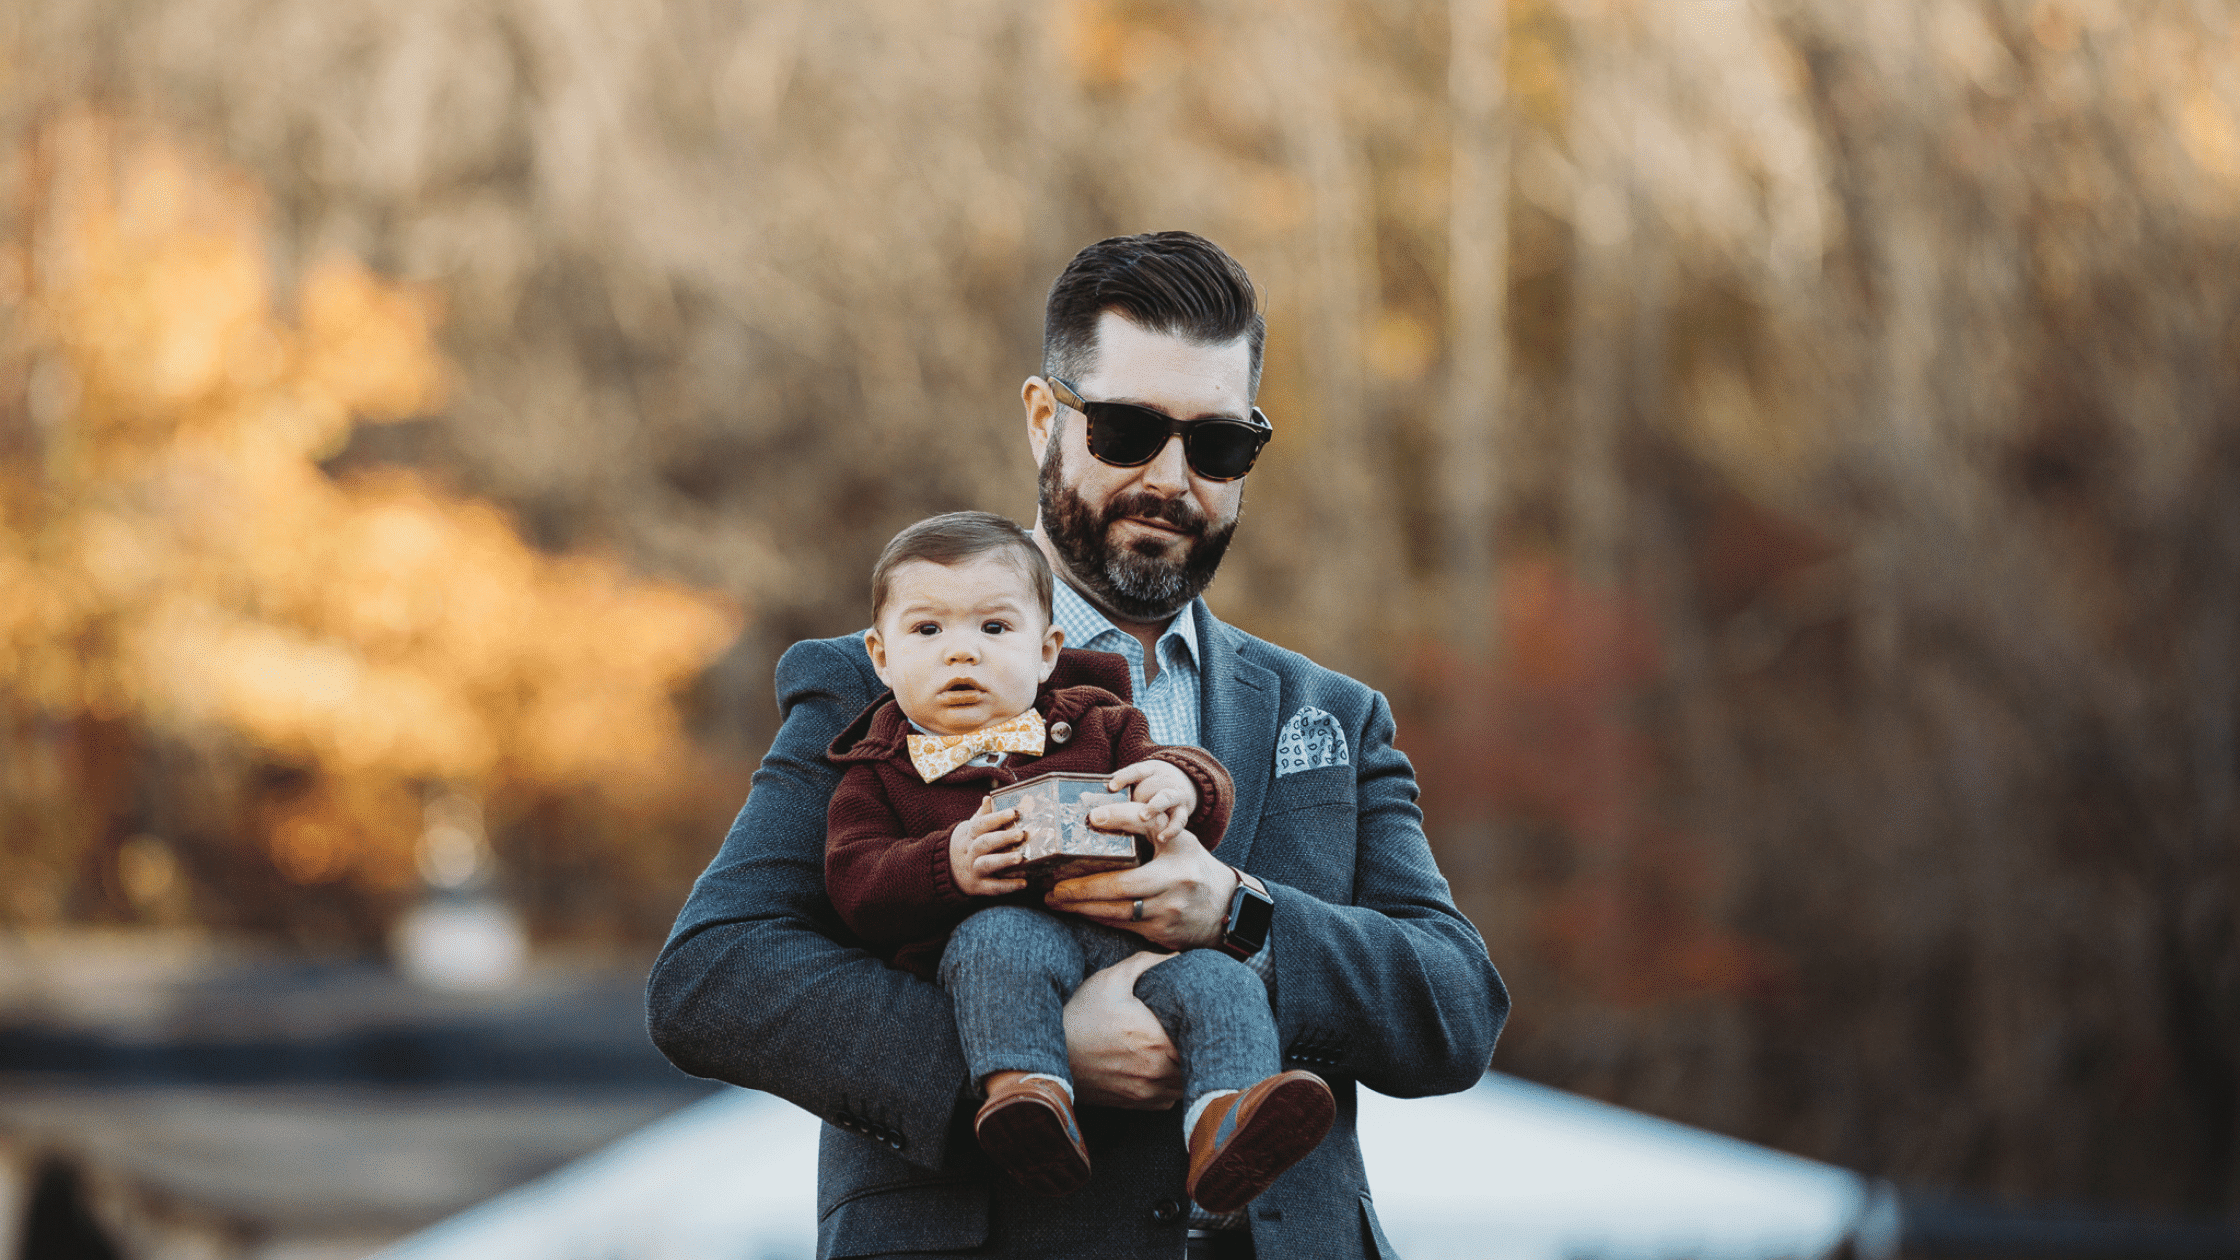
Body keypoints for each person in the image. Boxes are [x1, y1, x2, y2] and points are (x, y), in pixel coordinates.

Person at [649, 231, 1508, 1260]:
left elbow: (1456, 1006)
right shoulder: (869, 681)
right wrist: (1018, 1053)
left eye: (1217, 445)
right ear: (1042, 419)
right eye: (1127, 430)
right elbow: (713, 978)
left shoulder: (1326, 713)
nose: (1170, 477)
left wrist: (1241, 916)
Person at [824, 510, 1335, 1212]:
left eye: (994, 629)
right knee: (996, 940)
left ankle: (1228, 1120)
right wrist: (948, 864)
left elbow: (1188, 788)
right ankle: (1030, 1101)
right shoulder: (876, 773)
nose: (961, 653)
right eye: (928, 630)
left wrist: (1180, 784)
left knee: (1220, 980)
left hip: (1132, 947)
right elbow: (854, 887)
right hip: (997, 951)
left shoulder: (1101, 722)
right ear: (881, 657)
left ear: (1046, 650)